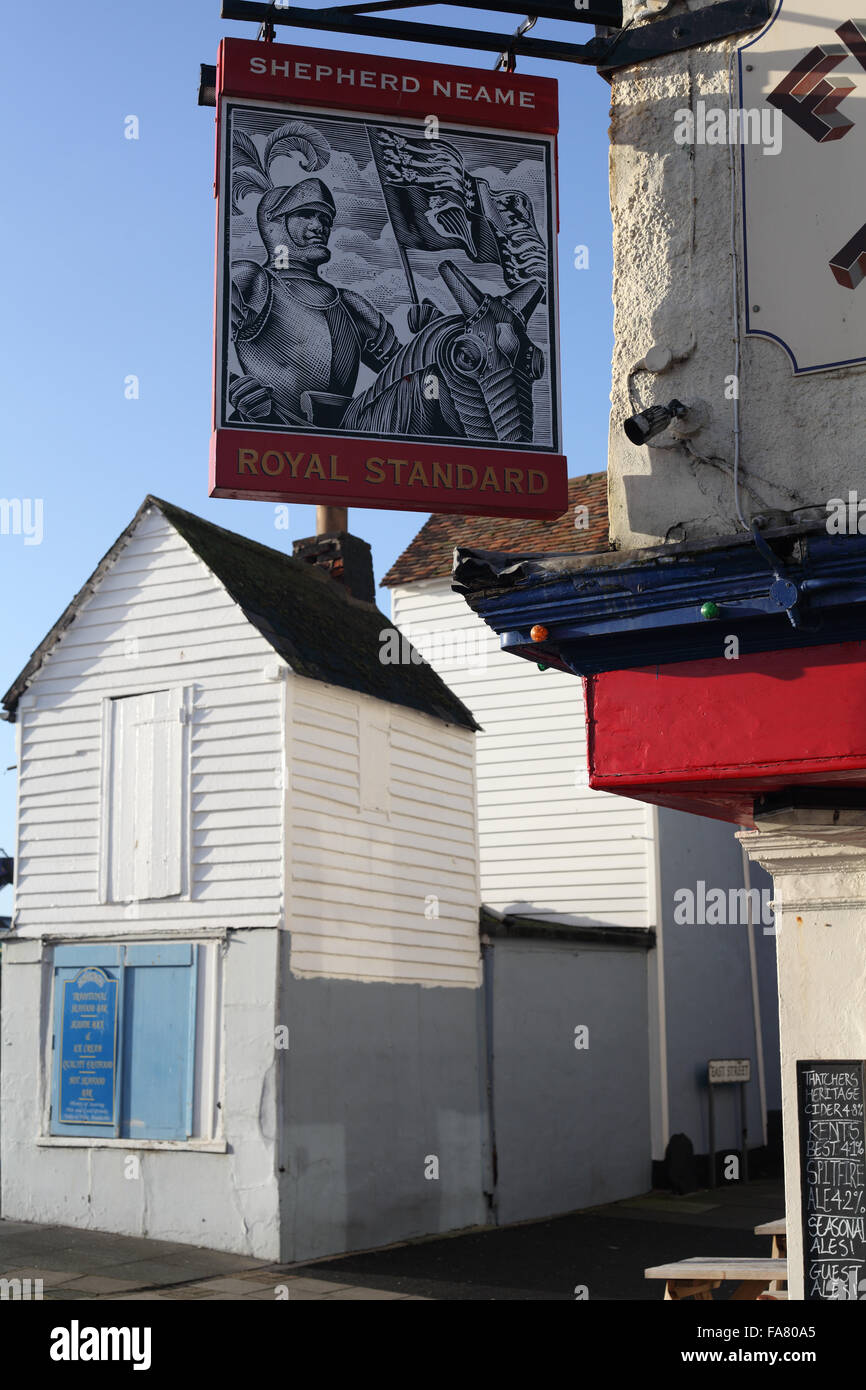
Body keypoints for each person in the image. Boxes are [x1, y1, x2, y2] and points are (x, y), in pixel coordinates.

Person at [228, 177, 400, 427]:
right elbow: (199, 339)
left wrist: (432, 335)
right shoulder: (252, 279)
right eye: (306, 215)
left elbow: (406, 374)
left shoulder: (351, 305)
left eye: (325, 220)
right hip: (269, 435)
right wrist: (236, 389)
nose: (319, 226)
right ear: (274, 223)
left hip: (346, 447)